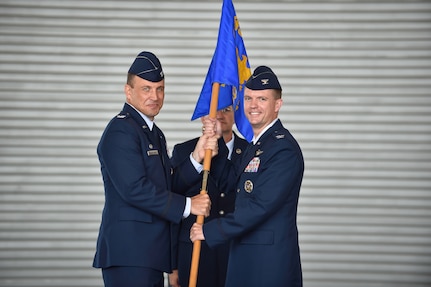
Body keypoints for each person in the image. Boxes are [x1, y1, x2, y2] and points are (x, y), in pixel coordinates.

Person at [92, 51, 218, 287]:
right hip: (130, 254)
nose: (155, 96)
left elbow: (164, 186)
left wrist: (196, 156)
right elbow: (135, 189)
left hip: (149, 254)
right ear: (128, 91)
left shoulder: (153, 133)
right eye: (146, 89)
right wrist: (190, 205)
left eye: (160, 88)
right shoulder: (121, 131)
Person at [190, 66, 304, 287]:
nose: (253, 105)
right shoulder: (256, 146)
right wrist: (214, 141)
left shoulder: (283, 149)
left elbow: (260, 206)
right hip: (246, 257)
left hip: (268, 264)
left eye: (262, 99)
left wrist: (210, 230)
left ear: (277, 105)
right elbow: (230, 184)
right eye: (248, 98)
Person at [168, 104, 248, 287]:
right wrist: (172, 265)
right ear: (204, 117)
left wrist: (218, 143)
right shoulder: (184, 150)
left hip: (235, 251)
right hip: (193, 252)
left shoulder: (249, 151)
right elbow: (173, 204)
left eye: (226, 110)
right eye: (214, 110)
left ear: (236, 115)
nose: (219, 115)